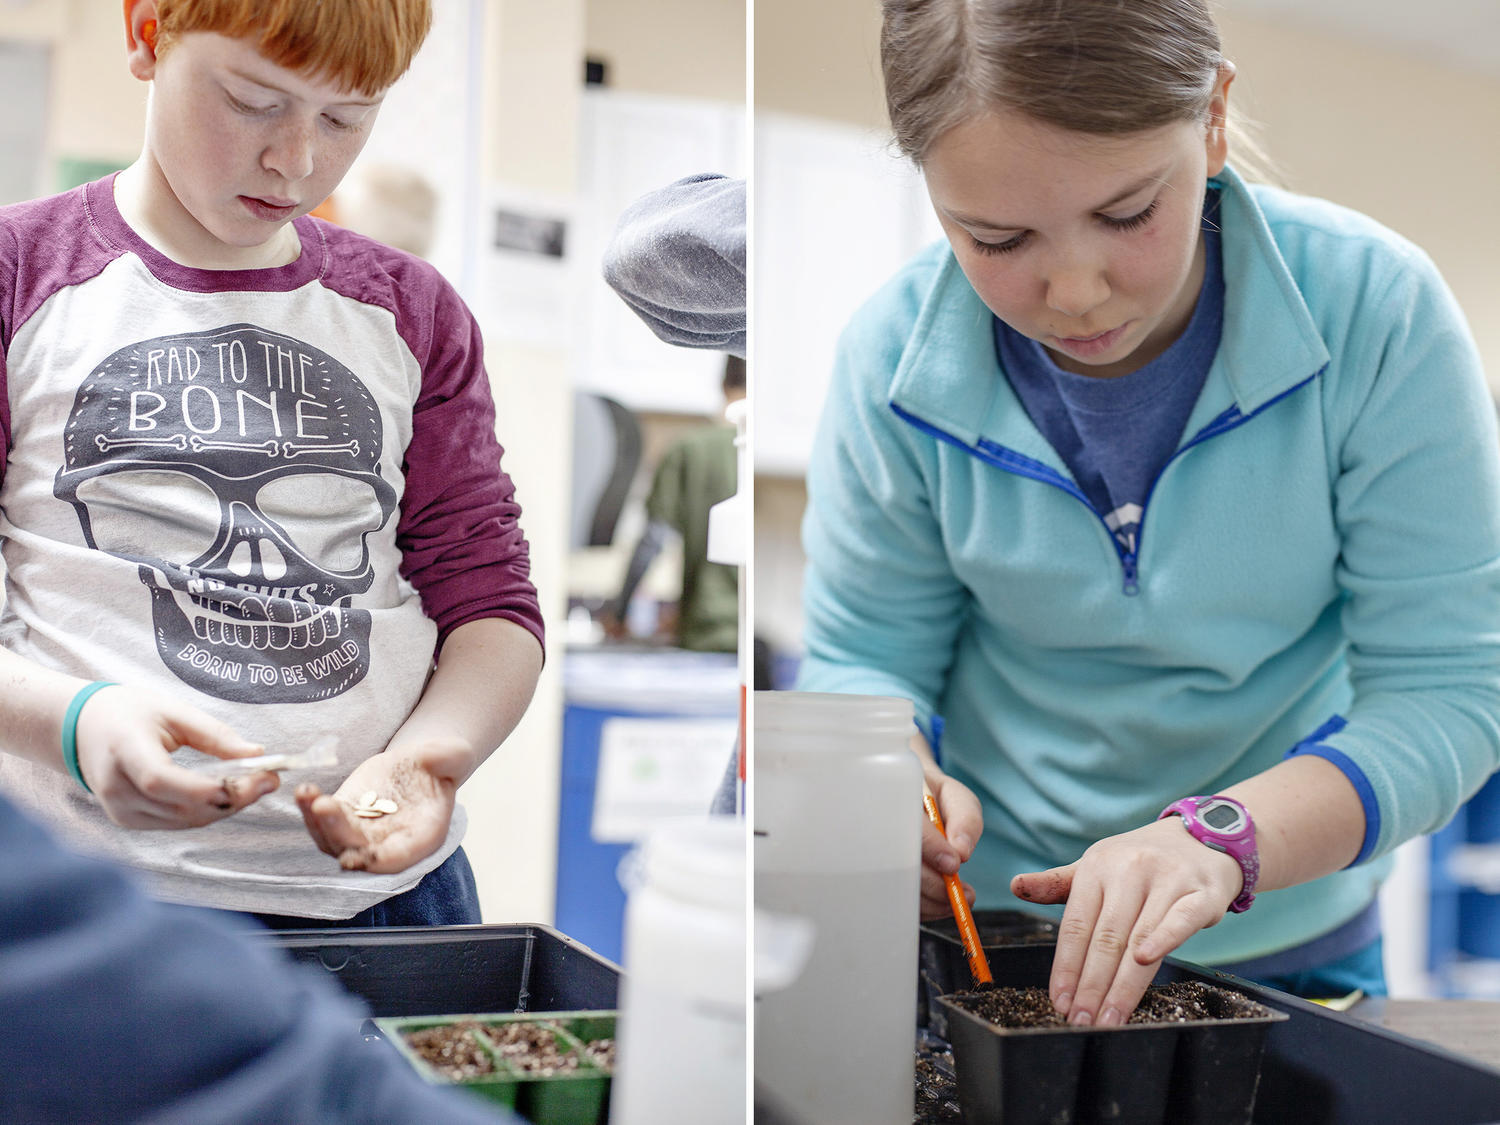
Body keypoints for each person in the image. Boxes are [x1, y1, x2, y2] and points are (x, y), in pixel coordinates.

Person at [797, 0, 1500, 1027]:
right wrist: (884, 776)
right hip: (992, 946)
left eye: (1128, 215)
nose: (1076, 291)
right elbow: (861, 657)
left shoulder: (1377, 314)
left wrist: (1223, 838)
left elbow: (1452, 690)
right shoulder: (889, 361)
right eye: (996, 237)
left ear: (1212, 118)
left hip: (1288, 950)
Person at [0, 0, 544, 928]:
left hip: (388, 904)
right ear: (146, 36)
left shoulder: (412, 312)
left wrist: (429, 755)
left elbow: (490, 603)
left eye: (346, 117)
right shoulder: (23, 273)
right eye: (254, 100)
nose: (297, 160)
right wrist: (76, 722)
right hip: (88, 907)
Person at [0, 791, 519, 1125]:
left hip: (397, 895)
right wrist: (73, 719)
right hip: (126, 897)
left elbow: (491, 616)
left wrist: (434, 748)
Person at [602, 355, 744, 654]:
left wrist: (619, 614)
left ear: (722, 383)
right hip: (747, 636)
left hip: (706, 631)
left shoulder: (689, 449)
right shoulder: (758, 448)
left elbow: (652, 541)